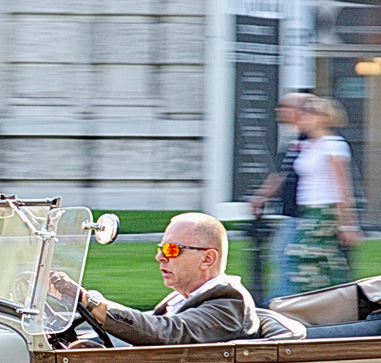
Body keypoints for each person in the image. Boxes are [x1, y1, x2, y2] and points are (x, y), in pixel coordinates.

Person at [51, 212, 260, 346]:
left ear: (207, 258)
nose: (160, 257)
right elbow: (148, 325)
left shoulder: (230, 303)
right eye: (162, 248)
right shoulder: (182, 299)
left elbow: (166, 332)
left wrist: (89, 301)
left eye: (172, 249)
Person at [288, 95, 362, 292]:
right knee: (309, 264)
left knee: (316, 263)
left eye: (309, 111)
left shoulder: (334, 145)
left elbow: (343, 187)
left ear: (324, 117)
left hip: (325, 213)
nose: (302, 115)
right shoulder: (309, 145)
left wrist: (347, 224)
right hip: (308, 212)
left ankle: (332, 304)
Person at [246, 92, 313, 302]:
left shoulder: (315, 140)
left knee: (286, 258)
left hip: (306, 215)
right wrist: (259, 197)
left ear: (301, 111)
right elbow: (280, 176)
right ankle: (284, 303)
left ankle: (278, 304)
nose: (279, 111)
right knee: (285, 259)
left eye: (285, 106)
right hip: (293, 215)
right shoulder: (294, 143)